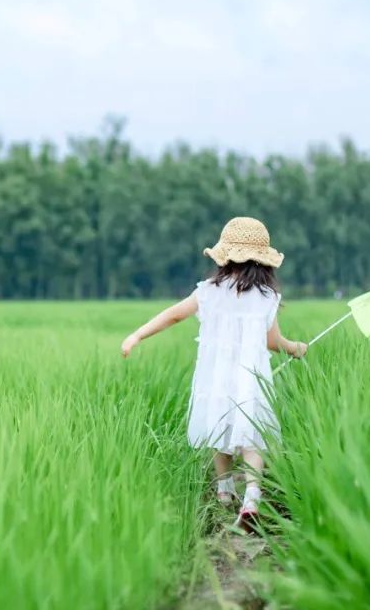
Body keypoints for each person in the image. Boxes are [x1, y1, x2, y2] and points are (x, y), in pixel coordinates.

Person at [120, 217, 307, 529]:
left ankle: (223, 490)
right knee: (253, 435)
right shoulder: (267, 297)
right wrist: (295, 348)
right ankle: (251, 495)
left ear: (224, 257)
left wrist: (137, 335)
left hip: (215, 377)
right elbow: (272, 341)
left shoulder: (207, 292)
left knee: (219, 428)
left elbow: (174, 315)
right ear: (263, 263)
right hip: (251, 379)